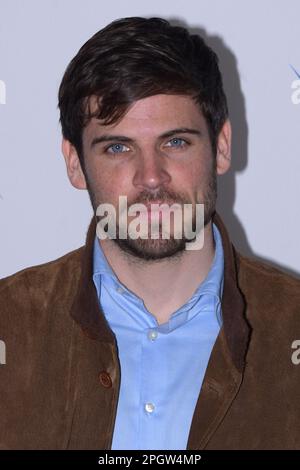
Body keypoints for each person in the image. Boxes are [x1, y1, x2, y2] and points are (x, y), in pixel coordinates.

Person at [0, 16, 299, 451]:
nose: (151, 177)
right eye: (118, 148)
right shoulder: (11, 323)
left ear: (221, 146)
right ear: (73, 163)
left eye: (175, 142)